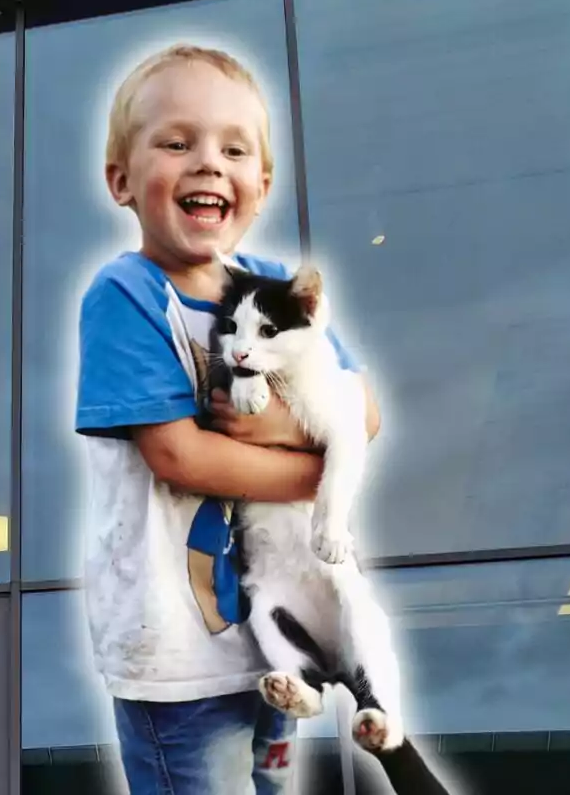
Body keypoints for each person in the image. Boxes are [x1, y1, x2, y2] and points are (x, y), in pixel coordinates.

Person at [74, 43, 380, 793]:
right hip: (175, 653)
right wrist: (317, 466)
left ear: (262, 183)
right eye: (177, 143)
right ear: (121, 180)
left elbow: (361, 406)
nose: (208, 163)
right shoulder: (128, 294)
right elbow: (180, 457)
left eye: (233, 148)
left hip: (277, 636)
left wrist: (273, 433)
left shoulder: (278, 287)